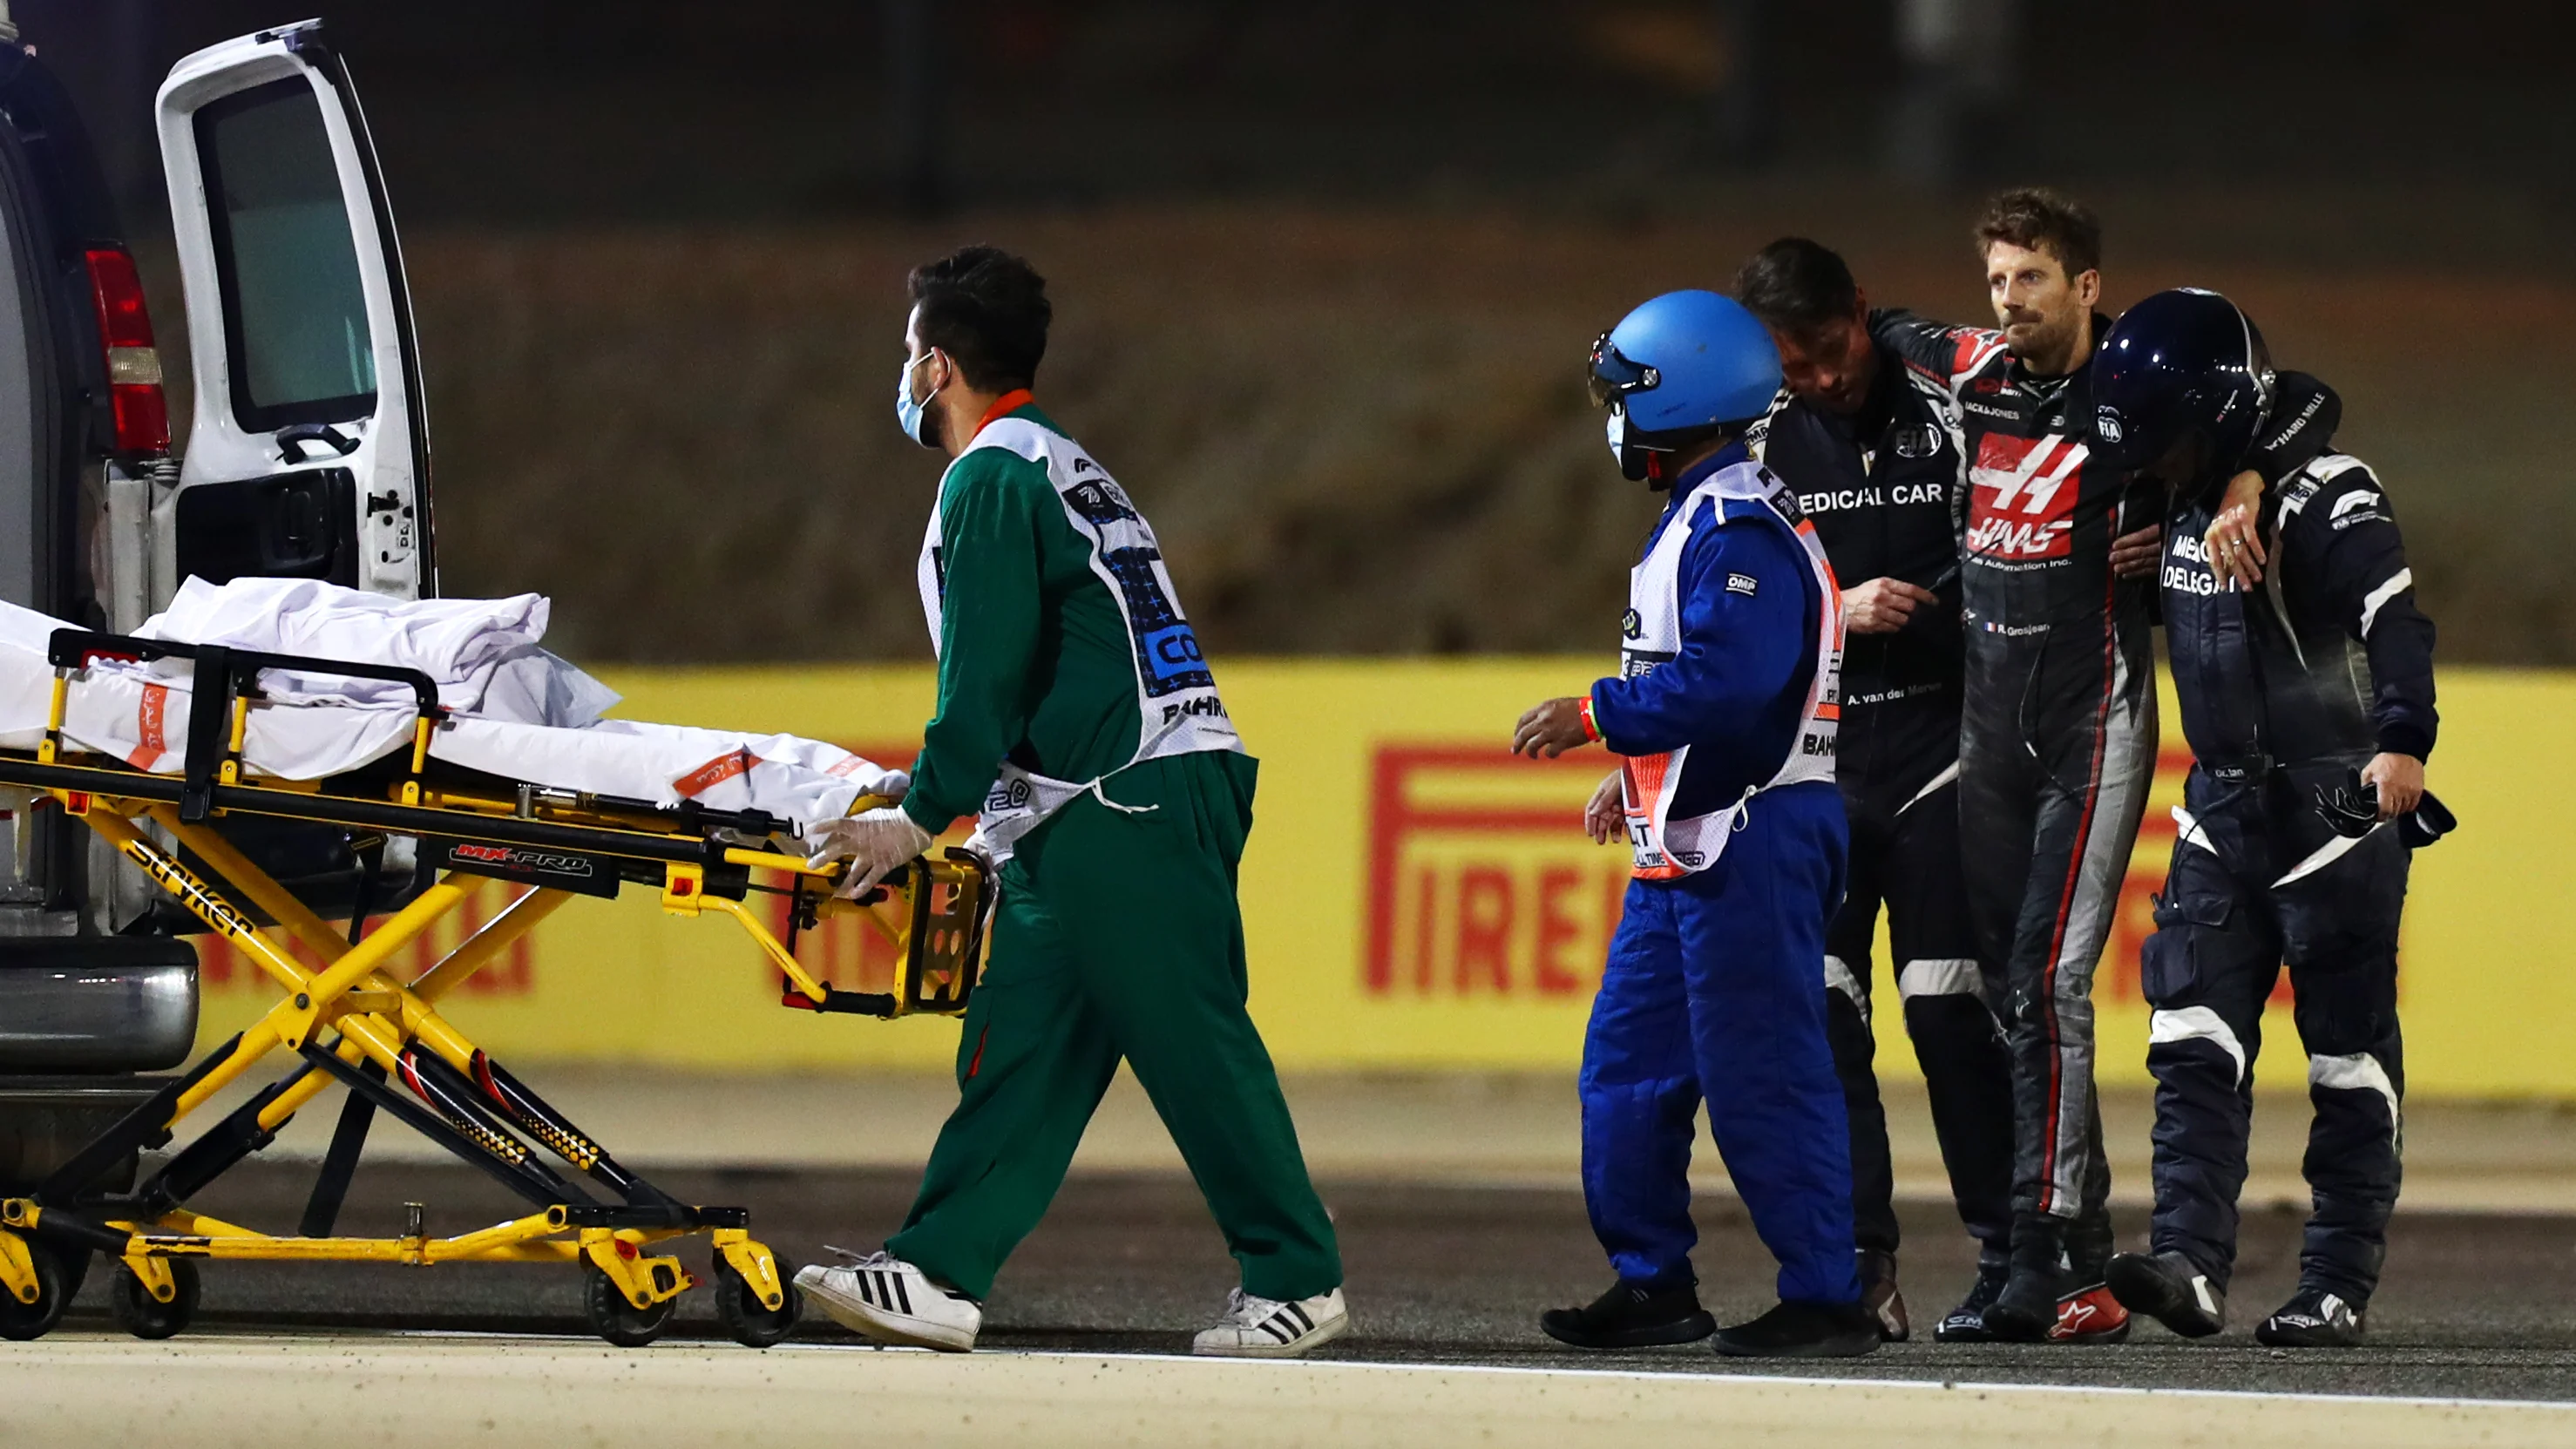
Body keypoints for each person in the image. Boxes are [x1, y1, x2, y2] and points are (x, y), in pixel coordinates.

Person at [797, 246, 1348, 1358]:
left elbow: (987, 673)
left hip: (1122, 801)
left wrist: (921, 815)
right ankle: (939, 1270)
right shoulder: (1055, 461)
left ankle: (1298, 1277)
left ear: (937, 365)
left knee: (1190, 1040)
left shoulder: (991, 477)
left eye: (908, 355)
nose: (903, 376)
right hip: (1097, 800)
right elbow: (1044, 668)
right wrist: (942, 786)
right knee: (1022, 1046)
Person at [1872, 188, 2339, 1341]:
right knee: (2002, 990)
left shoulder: (2134, 380)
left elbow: (2304, 399)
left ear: (2086, 286)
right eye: (1995, 279)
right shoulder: (1970, 366)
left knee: (2048, 981)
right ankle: (2075, 1260)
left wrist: (2240, 482)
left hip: (2093, 720)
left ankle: (2041, 1255)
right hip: (1989, 723)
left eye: (2029, 278)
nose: (2006, 301)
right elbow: (1877, 330)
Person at [1515, 289, 1873, 1358]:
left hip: (1754, 834)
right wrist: (1640, 778)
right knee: (1628, 1069)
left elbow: (1730, 681)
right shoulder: (1709, 515)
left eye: (1623, 394)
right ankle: (1653, 1284)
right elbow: (1723, 693)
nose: (1612, 416)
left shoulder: (1735, 523)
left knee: (1762, 1071)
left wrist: (1596, 716)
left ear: (1678, 402)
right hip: (1698, 827)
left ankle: (1825, 1294)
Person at [2088, 288, 2444, 1348]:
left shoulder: (2330, 493)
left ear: (2223, 417)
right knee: (2188, 1035)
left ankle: (2335, 1282)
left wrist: (2403, 742)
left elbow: (2396, 620)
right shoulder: (2191, 495)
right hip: (2220, 802)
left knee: (2345, 1056)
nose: (2154, 464)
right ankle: (2189, 1266)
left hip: (2332, 806)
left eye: (2171, 443)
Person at [1732, 238, 2015, 1345]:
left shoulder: (1954, 404)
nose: (1818, 379)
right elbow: (1732, 607)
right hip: (1819, 770)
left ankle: (2009, 1259)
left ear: (1861, 312)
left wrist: (1938, 615)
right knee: (1823, 1014)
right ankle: (1857, 1268)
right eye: (1792, 365)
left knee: (1948, 1010)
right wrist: (1829, 613)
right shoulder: (1757, 440)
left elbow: (2026, 554)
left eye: (1829, 349)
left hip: (1950, 752)